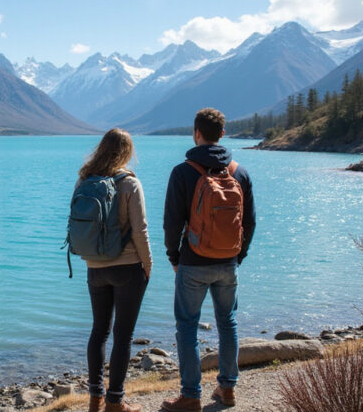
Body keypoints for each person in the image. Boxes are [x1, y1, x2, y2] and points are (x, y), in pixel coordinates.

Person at [161, 108, 256, 412]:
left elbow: (171, 223)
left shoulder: (183, 171)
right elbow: (250, 222)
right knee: (227, 322)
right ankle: (227, 390)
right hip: (228, 261)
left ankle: (191, 395)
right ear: (223, 135)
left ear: (196, 133)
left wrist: (174, 256)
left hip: (193, 261)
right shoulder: (239, 172)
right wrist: (238, 255)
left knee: (187, 325)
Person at [76, 128, 153, 412]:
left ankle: (95, 397)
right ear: (127, 152)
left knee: (99, 331)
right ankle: (115, 402)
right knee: (123, 337)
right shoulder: (130, 183)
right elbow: (140, 229)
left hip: (94, 266)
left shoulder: (85, 179)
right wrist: (148, 263)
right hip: (127, 267)